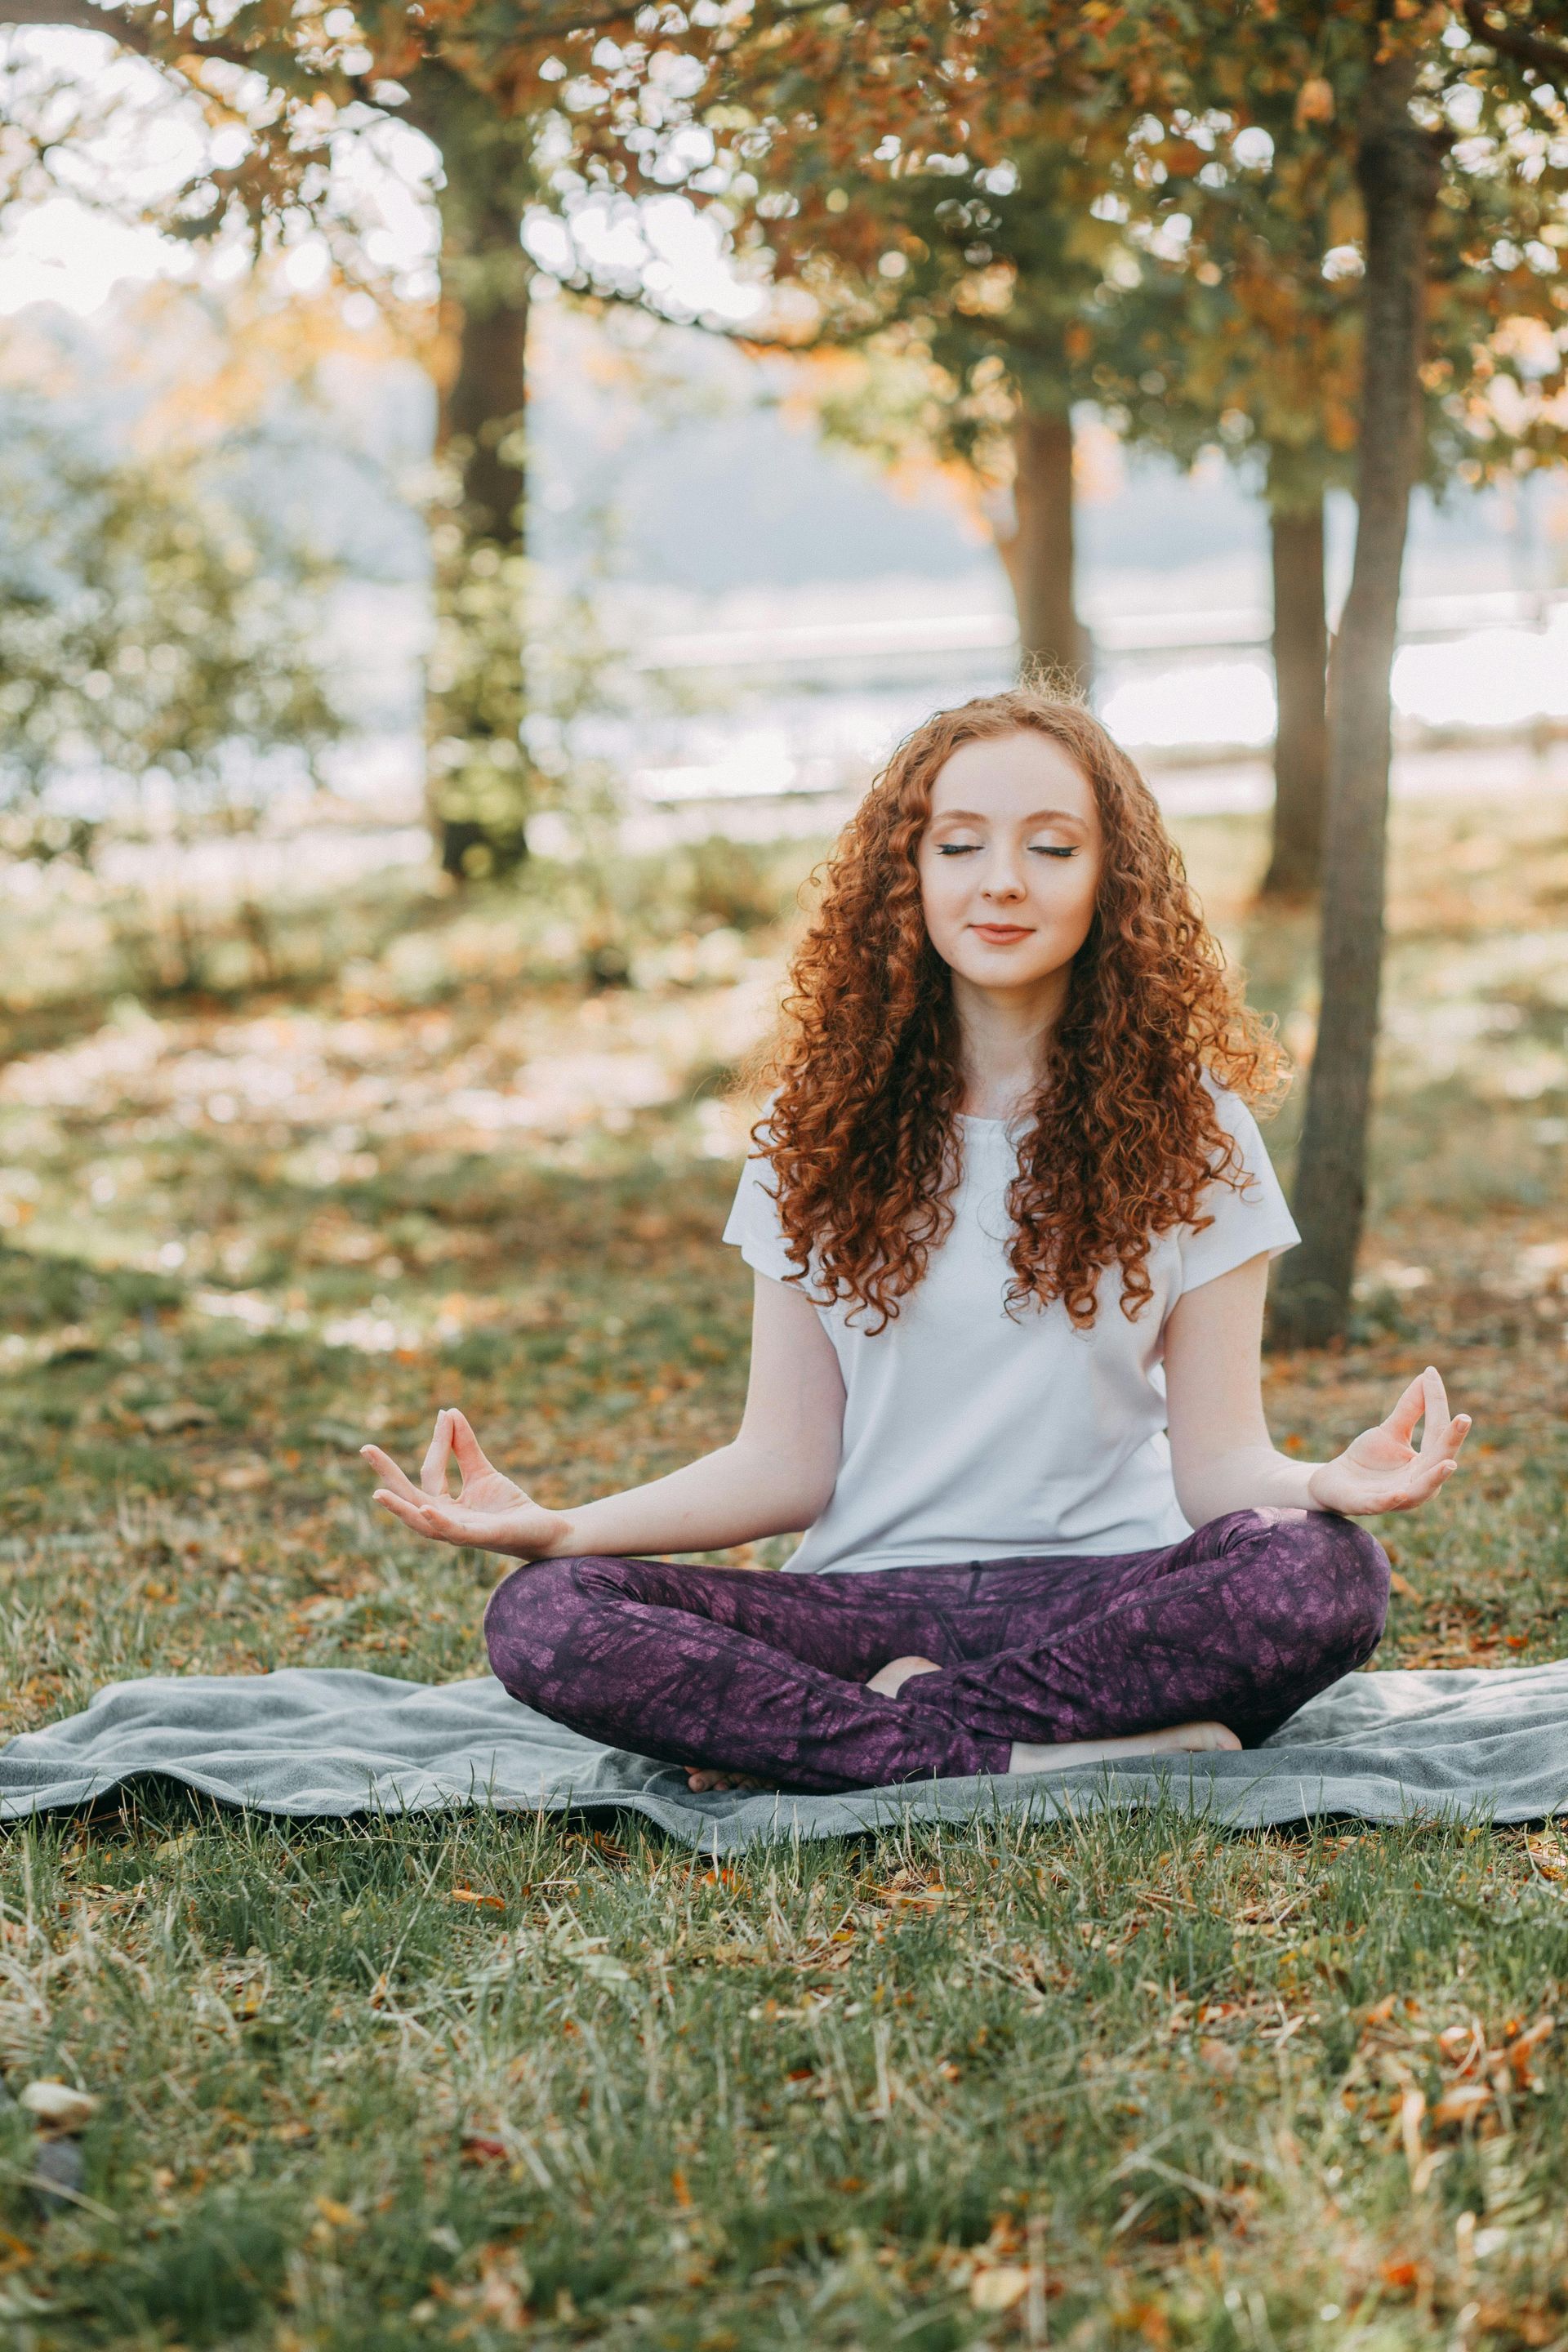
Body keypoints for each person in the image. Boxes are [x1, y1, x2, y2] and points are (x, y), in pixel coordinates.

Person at [362, 690, 1470, 1797]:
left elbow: (1222, 1465)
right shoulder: (816, 1134)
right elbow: (781, 1466)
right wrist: (563, 1529)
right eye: (959, 845)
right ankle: (1058, 1752)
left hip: (1110, 1603)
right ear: (909, 878)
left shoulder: (1196, 1127)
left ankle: (878, 1737)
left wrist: (1323, 1480)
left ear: (1110, 880)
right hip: (860, 1606)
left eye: (1050, 846)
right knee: (546, 1615)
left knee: (1323, 1573)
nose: (1003, 881)